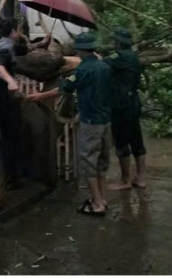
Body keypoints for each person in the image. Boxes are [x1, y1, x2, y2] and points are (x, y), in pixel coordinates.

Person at [28, 32, 113, 216]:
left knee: (88, 161)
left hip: (90, 121)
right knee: (101, 161)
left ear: (80, 50)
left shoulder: (82, 70)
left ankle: (97, 204)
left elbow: (64, 88)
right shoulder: (105, 67)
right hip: (106, 120)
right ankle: (102, 198)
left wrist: (41, 95)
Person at [0, 16, 25, 187]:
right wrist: (10, 81)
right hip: (0, 99)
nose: (20, 32)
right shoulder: (5, 48)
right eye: (18, 29)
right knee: (8, 137)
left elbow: (21, 49)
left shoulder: (4, 43)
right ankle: (9, 178)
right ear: (13, 31)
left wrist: (40, 44)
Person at [106, 27, 147, 190]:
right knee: (136, 140)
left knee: (121, 142)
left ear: (118, 42)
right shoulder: (134, 57)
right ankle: (140, 178)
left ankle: (125, 180)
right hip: (133, 102)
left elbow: (103, 63)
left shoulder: (118, 56)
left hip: (120, 105)